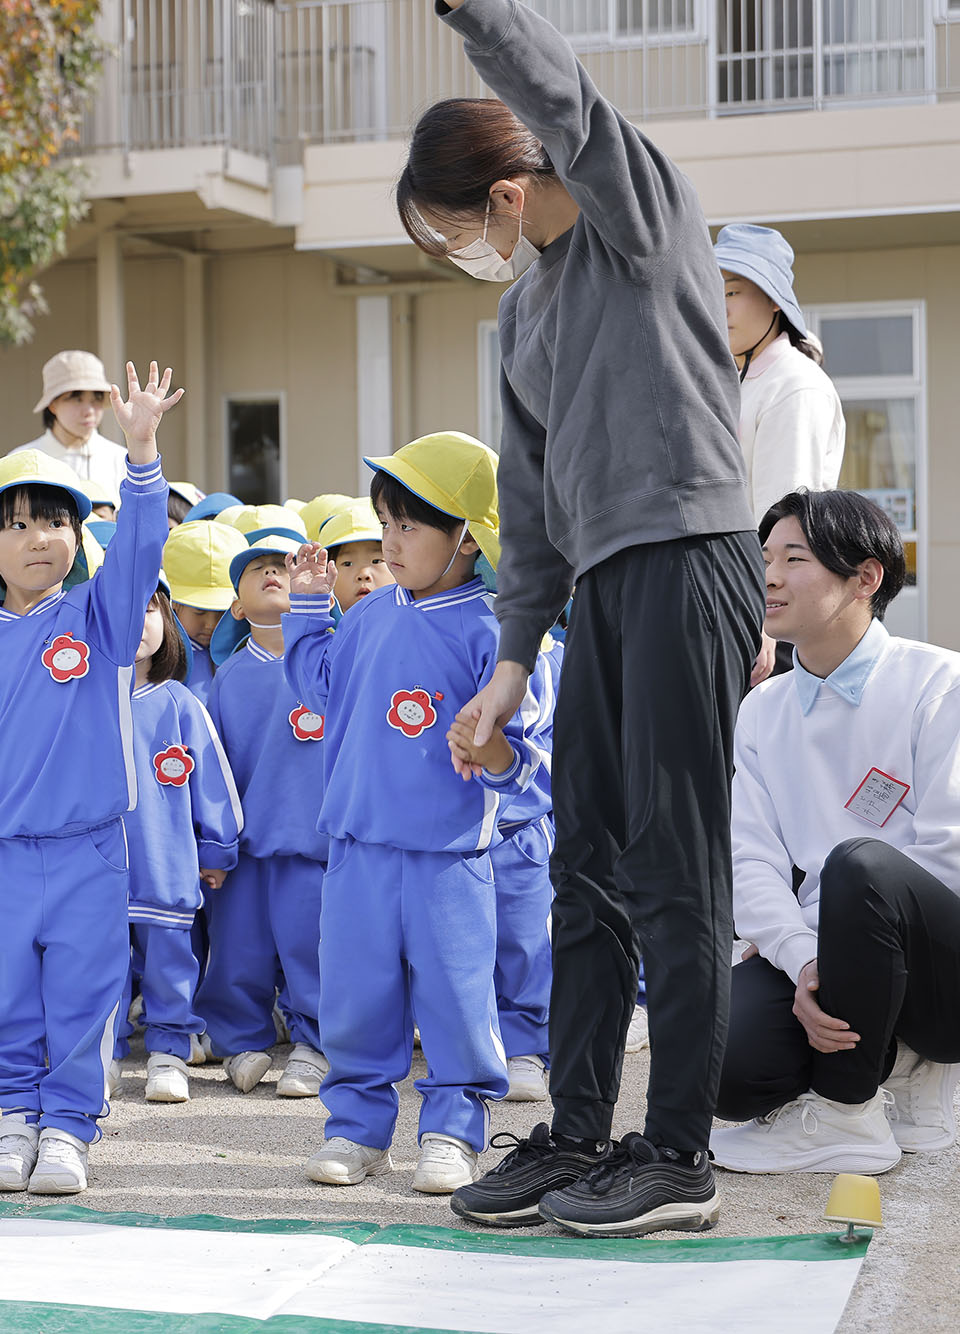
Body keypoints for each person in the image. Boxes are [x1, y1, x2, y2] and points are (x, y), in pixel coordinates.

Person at [404, 0, 766, 1236]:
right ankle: (573, 1132)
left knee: (674, 865)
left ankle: (677, 1153)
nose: (462, 252)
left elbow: (560, 92)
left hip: (689, 556)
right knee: (583, 870)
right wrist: (509, 663)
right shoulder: (523, 315)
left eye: (457, 225)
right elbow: (528, 501)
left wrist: (469, 12)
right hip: (602, 588)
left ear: (507, 191)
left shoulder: (635, 215)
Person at [0, 364, 181, 1197]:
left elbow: (142, 549)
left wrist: (140, 453)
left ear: (79, 535)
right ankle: (13, 1119)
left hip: (89, 852)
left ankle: (69, 1127)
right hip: (1, 857)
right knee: (6, 990)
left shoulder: (98, 617)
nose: (41, 539)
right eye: (21, 525)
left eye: (57, 522)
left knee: (83, 990)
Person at [281, 432, 547, 1197]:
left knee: (457, 1000)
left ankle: (452, 1131)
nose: (388, 545)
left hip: (448, 858)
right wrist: (307, 607)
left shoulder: (498, 631)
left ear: (467, 537)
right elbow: (322, 691)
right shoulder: (366, 616)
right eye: (385, 523)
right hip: (358, 850)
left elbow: (531, 767)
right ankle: (357, 1133)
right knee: (356, 999)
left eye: (409, 527)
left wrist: (492, 752)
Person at [711, 490, 960, 1174]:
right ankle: (880, 1069)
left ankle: (854, 1108)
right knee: (722, 1064)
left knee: (862, 865)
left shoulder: (938, 682)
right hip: (837, 954)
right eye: (764, 559)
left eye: (795, 558)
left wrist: (852, 955)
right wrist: (803, 959)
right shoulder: (763, 710)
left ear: (866, 578)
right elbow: (749, 858)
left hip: (943, 970)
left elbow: (949, 858)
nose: (770, 576)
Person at [199, 529, 330, 1100]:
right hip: (244, 849)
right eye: (258, 569)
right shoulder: (225, 679)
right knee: (237, 951)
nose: (274, 572)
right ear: (234, 603)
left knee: (314, 949)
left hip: (314, 842)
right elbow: (210, 773)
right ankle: (241, 1041)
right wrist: (214, 844)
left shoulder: (332, 666)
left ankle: (315, 1044)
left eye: (285, 563)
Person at [121, 587, 242, 1104]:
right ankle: (102, 1053)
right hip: (90, 873)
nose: (137, 620)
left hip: (165, 868)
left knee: (171, 965)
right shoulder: (77, 702)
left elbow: (213, 782)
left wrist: (216, 848)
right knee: (98, 971)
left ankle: (170, 1052)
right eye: (123, 607)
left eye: (149, 608)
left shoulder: (180, 701)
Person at [715, 223, 846, 684]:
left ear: (774, 300)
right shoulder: (740, 381)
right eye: (712, 291)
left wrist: (766, 618)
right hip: (747, 602)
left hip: (773, 622)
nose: (719, 306)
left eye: (732, 292)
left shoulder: (793, 385)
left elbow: (786, 516)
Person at [491, 628, 561, 1104]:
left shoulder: (554, 656)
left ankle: (525, 1048)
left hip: (519, 823)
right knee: (458, 948)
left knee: (524, 940)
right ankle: (475, 1044)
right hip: (449, 829)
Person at [12, 350, 132, 519]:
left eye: (96, 399)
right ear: (53, 404)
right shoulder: (21, 460)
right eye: (77, 399)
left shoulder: (122, 459)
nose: (89, 411)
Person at [163, 520, 249, 709]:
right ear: (174, 604)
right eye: (199, 611)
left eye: (222, 613)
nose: (211, 624)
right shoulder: (162, 654)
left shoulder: (246, 649)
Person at [317, 499, 396, 615]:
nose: (363, 575)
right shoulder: (320, 630)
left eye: (376, 561)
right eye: (347, 563)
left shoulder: (413, 624)